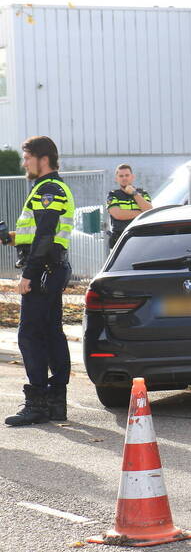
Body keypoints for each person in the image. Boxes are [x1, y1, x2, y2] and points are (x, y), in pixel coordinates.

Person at [4, 136, 74, 426]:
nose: (24, 163)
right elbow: (40, 233)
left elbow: (45, 236)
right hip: (51, 268)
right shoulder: (51, 188)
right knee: (51, 333)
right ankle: (56, 403)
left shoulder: (48, 189)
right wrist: (10, 238)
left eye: (27, 157)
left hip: (43, 270)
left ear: (43, 159)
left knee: (30, 335)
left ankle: (37, 405)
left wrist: (29, 274)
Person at [106, 163, 152, 249]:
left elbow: (149, 210)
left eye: (127, 175)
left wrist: (134, 193)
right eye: (121, 176)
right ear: (117, 179)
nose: (124, 178)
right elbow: (118, 214)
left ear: (132, 177)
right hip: (120, 240)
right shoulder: (113, 195)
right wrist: (142, 213)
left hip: (141, 238)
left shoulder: (142, 193)